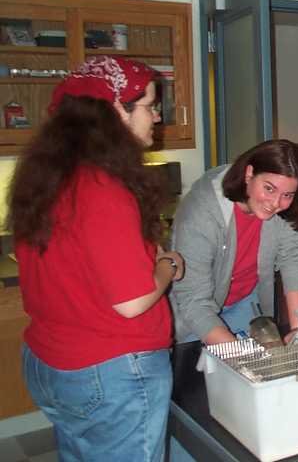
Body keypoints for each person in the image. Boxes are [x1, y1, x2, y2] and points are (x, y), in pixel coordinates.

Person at [11, 56, 184, 462]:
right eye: (149, 106)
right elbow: (133, 301)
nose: (157, 117)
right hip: (110, 370)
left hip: (51, 362)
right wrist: (168, 266)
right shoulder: (103, 187)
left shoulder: (47, 177)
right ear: (114, 110)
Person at [169, 139, 298, 345]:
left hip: (246, 300)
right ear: (249, 174)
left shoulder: (287, 208)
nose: (275, 204)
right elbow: (194, 302)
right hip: (199, 309)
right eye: (269, 189)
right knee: (212, 371)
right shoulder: (202, 210)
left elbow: (292, 257)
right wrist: (240, 356)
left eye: (287, 195)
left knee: (256, 371)